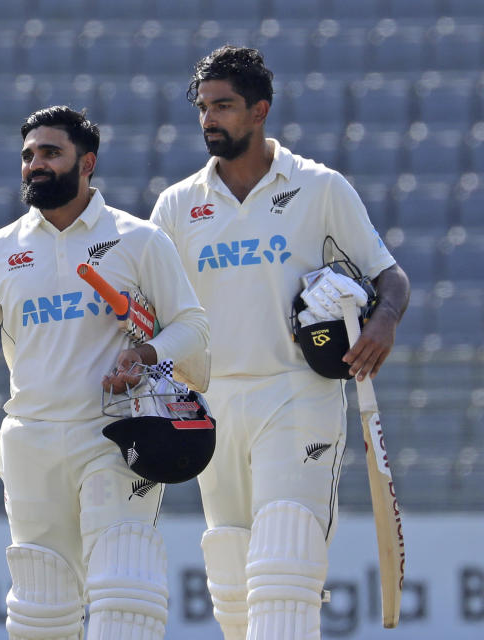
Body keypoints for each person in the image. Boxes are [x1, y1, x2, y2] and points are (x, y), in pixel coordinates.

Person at [0, 106, 209, 639]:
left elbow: (192, 328)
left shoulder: (137, 239)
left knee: (124, 593)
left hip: (116, 436)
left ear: (87, 162)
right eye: (28, 156)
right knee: (41, 610)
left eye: (51, 153)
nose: (35, 165)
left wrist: (145, 356)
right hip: (31, 442)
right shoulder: (1, 251)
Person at [149, 46, 411, 640]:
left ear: (260, 110)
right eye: (203, 107)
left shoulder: (319, 187)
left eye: (224, 106)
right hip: (214, 403)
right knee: (233, 586)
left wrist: (384, 318)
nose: (209, 118)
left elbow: (388, 274)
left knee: (285, 570)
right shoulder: (176, 205)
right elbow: (153, 311)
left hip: (298, 395)